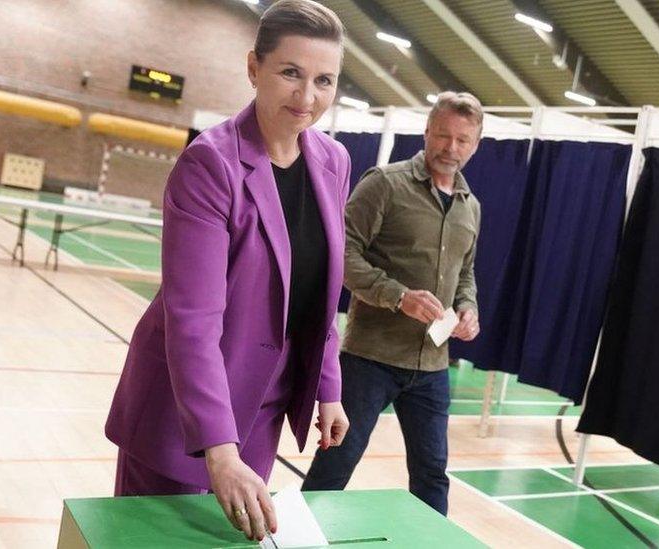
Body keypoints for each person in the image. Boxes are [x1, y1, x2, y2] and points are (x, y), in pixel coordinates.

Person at [105, 1, 350, 542]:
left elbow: (318, 292)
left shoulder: (334, 162)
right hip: (180, 415)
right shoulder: (210, 164)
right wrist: (219, 449)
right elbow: (192, 319)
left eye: (324, 80)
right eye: (291, 73)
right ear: (253, 68)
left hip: (260, 413)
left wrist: (328, 387)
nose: (307, 98)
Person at [302, 92, 483, 515]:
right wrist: (397, 296)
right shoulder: (384, 183)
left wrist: (469, 306)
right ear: (426, 133)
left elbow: (466, 273)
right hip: (370, 360)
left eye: (462, 140)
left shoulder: (470, 207)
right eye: (442, 136)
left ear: (475, 145)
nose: (450, 148)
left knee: (432, 473)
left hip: (433, 368)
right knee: (336, 463)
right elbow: (340, 252)